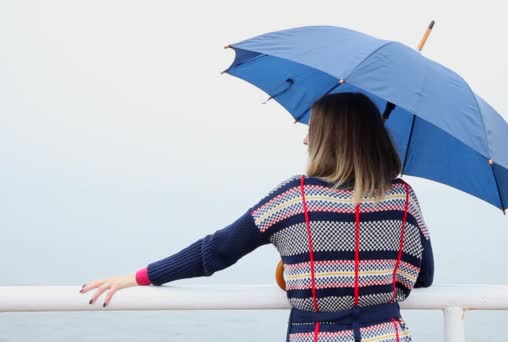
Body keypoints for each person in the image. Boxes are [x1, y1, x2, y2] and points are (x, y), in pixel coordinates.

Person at [80, 92, 434, 342]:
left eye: (313, 129)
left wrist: (138, 277)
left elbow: (215, 252)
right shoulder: (403, 197)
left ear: (330, 139)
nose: (307, 140)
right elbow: (424, 277)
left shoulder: (294, 197)